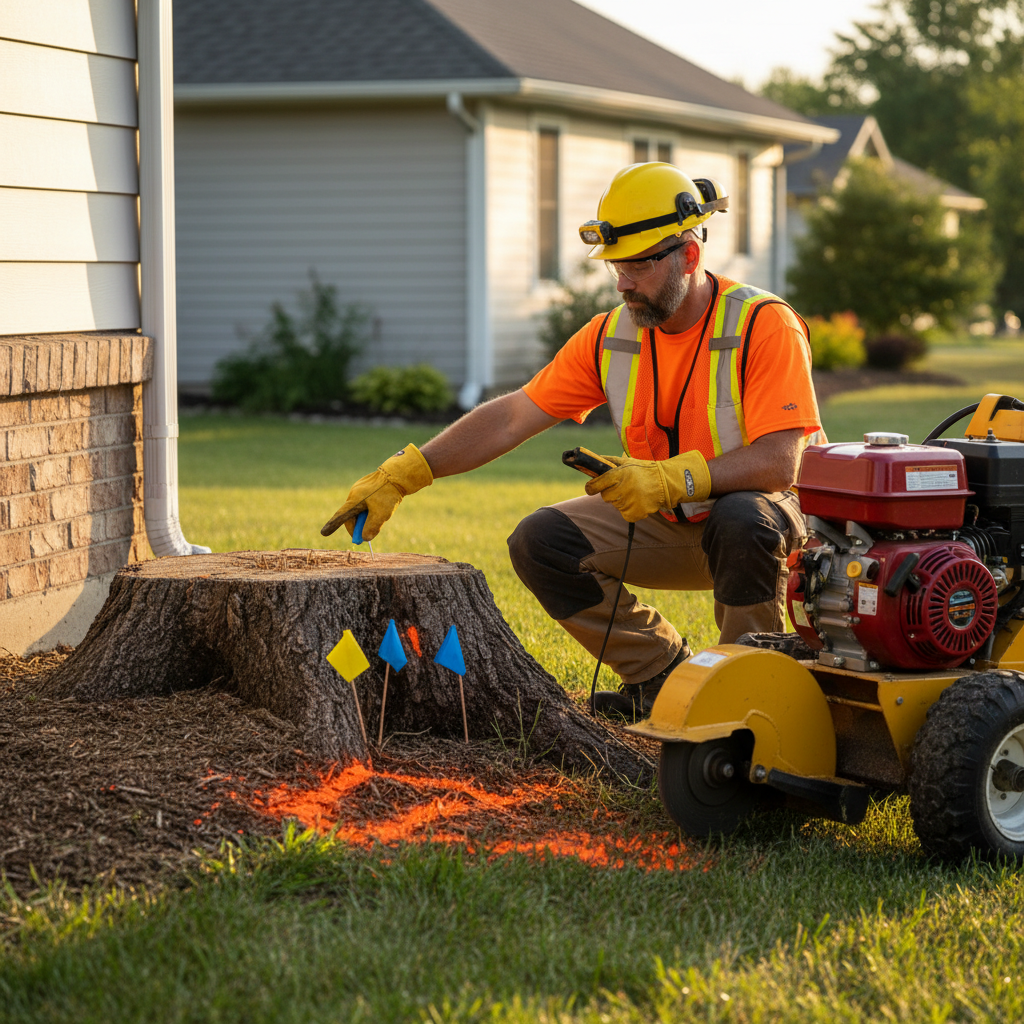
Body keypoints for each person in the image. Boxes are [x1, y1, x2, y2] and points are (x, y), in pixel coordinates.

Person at [323, 163, 823, 722]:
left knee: (741, 519)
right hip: (675, 518)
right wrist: (409, 471)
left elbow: (781, 462)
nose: (622, 282)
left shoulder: (764, 324)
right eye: (616, 265)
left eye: (638, 264)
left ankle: (750, 692)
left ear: (688, 255)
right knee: (541, 541)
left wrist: (667, 478)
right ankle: (663, 677)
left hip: (773, 529)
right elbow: (513, 416)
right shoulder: (613, 336)